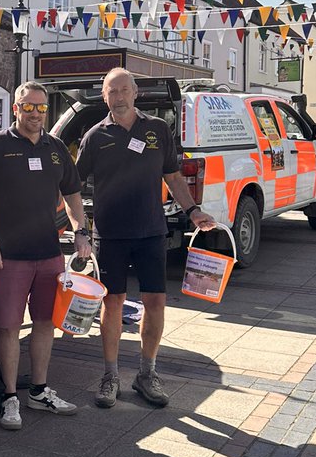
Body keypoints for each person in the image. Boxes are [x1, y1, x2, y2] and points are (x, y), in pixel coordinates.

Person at [75, 68, 215, 410]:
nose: (118, 96)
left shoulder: (157, 129)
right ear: (104, 96)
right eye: (112, 91)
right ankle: (111, 376)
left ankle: (146, 374)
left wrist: (193, 210)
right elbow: (72, 186)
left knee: (155, 303)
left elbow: (173, 175)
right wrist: (71, 226)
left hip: (151, 230)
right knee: (112, 304)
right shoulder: (94, 136)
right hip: (109, 234)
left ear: (135, 93)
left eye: (124, 89)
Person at [0, 81, 92, 430]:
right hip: (8, 257)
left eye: (41, 108)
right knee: (9, 327)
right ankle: (10, 397)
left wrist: (81, 231)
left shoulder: (56, 147)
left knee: (45, 323)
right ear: (16, 108)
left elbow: (73, 194)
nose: (34, 114)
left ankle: (39, 391)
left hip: (49, 254)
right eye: (28, 107)